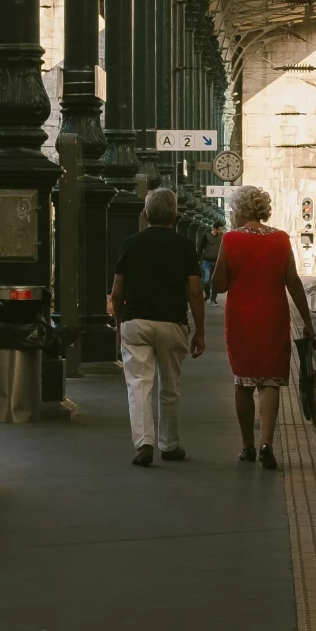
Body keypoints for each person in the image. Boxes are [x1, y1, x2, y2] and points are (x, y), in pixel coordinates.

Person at [212, 183, 312, 470]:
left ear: (239, 210)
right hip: (273, 315)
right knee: (270, 382)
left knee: (243, 383)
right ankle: (268, 444)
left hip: (241, 318)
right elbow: (293, 281)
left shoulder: (230, 240)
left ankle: (248, 446)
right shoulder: (281, 239)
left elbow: (219, 284)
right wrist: (306, 321)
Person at [111, 187, 206, 467]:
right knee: (170, 385)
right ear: (176, 216)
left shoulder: (130, 243)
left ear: (144, 214)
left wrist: (119, 324)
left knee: (139, 385)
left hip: (135, 322)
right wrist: (199, 330)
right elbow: (195, 292)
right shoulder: (185, 247)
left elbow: (117, 292)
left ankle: (144, 444)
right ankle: (170, 444)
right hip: (172, 322)